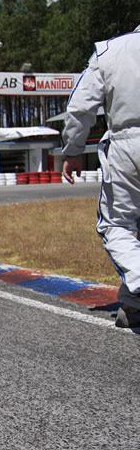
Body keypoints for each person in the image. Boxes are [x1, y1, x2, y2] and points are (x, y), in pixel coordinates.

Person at [61, 25, 140, 328]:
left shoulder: (109, 51)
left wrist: (73, 150)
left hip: (127, 143)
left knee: (115, 224)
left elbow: (80, 108)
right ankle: (133, 304)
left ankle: (136, 287)